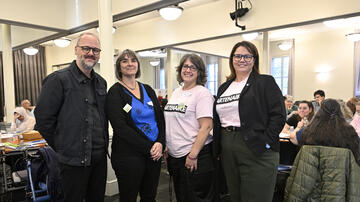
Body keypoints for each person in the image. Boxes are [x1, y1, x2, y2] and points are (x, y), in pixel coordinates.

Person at [34, 32, 108, 202]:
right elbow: (43, 120)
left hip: (99, 159)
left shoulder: (101, 82)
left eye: (95, 50)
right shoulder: (58, 80)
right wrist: (63, 146)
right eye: (86, 48)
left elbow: (102, 117)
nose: (91, 53)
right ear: (76, 50)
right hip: (72, 160)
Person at [213, 41, 286, 202]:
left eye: (247, 56)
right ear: (232, 59)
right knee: (236, 196)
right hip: (228, 148)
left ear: (254, 59)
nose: (242, 59)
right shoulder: (224, 87)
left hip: (257, 148)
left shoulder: (265, 82)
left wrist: (265, 143)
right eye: (238, 56)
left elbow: (279, 116)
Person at [106, 49, 165, 202]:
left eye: (133, 60)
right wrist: (149, 148)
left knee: (149, 196)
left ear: (138, 65)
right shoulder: (115, 93)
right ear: (119, 67)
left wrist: (160, 142)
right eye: (124, 61)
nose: (129, 63)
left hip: (153, 153)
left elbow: (160, 119)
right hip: (128, 156)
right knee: (128, 197)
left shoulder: (148, 89)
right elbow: (120, 127)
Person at [164, 54, 216, 202]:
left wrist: (193, 155)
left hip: (194, 156)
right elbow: (172, 122)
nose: (188, 70)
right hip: (176, 156)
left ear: (199, 72)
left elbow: (206, 127)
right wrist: (168, 147)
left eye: (193, 67)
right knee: (182, 196)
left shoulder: (202, 93)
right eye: (185, 66)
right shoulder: (176, 92)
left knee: (195, 198)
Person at [300, 98, 360, 164]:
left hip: (314, 170)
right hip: (341, 171)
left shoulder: (308, 131)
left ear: (319, 111)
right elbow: (355, 155)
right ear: (340, 111)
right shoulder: (349, 132)